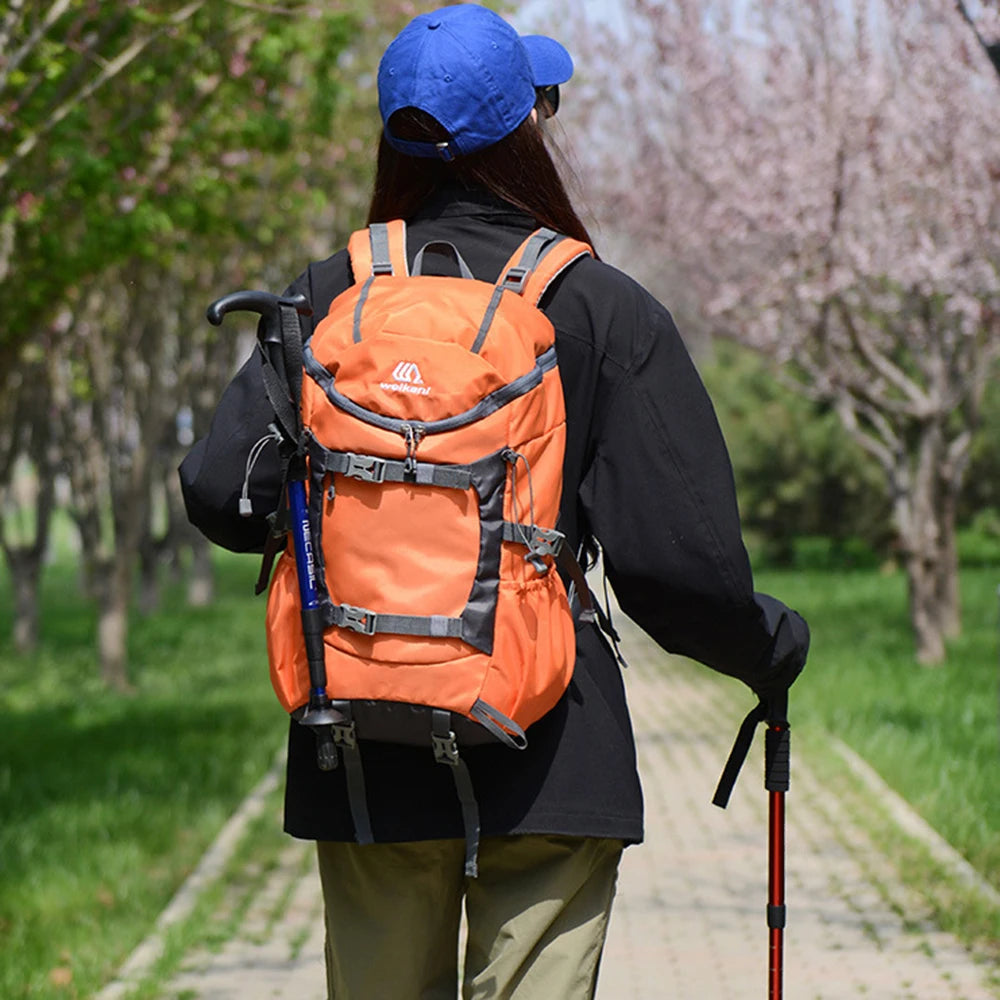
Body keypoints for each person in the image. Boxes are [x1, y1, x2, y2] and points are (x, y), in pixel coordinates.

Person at [179, 5, 809, 998]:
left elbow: (220, 491)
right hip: (551, 746)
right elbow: (672, 566)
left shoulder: (327, 295)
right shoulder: (599, 305)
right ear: (529, 128)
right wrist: (766, 645)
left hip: (360, 744)